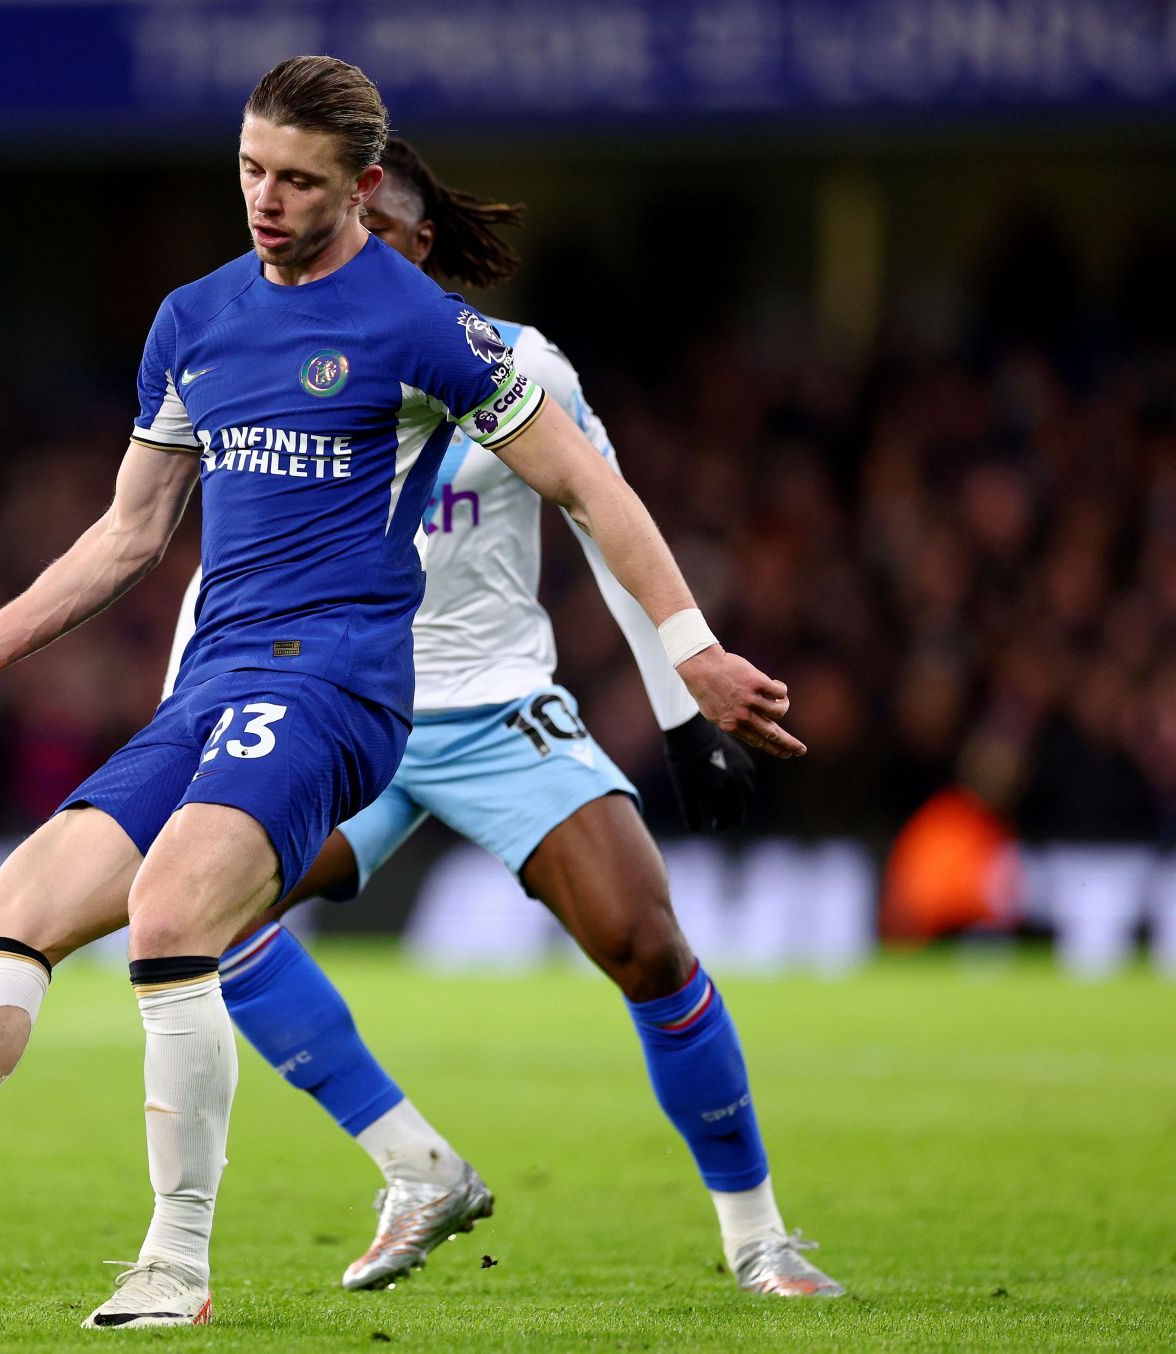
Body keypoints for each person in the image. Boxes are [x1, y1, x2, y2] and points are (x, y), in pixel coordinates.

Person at [0, 57, 801, 1330]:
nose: (266, 199)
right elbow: (129, 535)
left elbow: (590, 487)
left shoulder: (422, 327)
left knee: (187, 905)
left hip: (346, 684)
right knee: (12, 909)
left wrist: (691, 656)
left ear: (357, 186)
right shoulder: (193, 319)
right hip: (219, 683)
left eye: (297, 180)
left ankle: (176, 1263)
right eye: (251, 171)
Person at [175, 138, 844, 1298]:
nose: (344, 259)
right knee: (199, 921)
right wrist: (186, 714)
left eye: (374, 239)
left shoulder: (515, 366)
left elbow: (604, 518)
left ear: (420, 247)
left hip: (496, 709)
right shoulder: (276, 361)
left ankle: (759, 1238)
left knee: (647, 940)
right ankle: (414, 1164)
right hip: (337, 705)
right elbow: (223, 561)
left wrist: (684, 714)